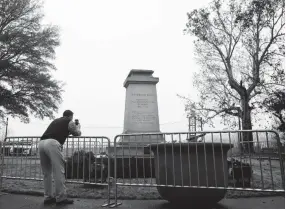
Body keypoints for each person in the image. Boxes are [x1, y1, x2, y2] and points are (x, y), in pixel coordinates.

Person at [39, 110, 81, 205]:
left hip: (41, 143)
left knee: (46, 173)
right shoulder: (69, 121)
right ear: (70, 116)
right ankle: (61, 198)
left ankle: (48, 197)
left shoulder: (55, 121)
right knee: (59, 171)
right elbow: (77, 133)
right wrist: (78, 126)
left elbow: (61, 131)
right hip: (53, 143)